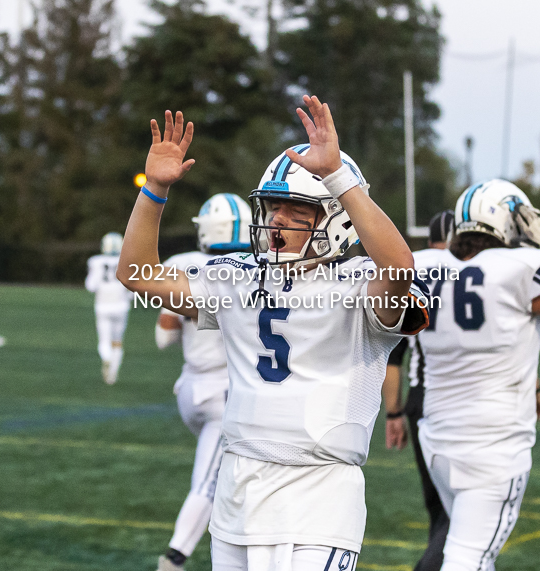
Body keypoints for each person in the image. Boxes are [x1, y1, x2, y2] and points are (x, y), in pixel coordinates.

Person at [117, 96, 430, 571]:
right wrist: (154, 190)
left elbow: (400, 265)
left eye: (295, 210)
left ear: (336, 218)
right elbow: (137, 275)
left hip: (319, 497)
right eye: (273, 207)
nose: (277, 220)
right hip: (238, 491)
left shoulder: (360, 283)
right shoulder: (234, 276)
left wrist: (340, 179)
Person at [413, 180, 540, 571]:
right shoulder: (518, 268)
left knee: (467, 552)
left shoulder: (425, 265)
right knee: (468, 560)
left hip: (437, 441)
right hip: (494, 447)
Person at [155, 193, 253, 571]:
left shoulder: (181, 264)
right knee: (210, 482)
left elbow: (164, 338)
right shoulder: (255, 267)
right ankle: (175, 556)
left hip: (189, 389)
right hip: (227, 392)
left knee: (225, 474)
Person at [383, 209, 455, 571]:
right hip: (466, 400)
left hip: (421, 399)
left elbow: (393, 354)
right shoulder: (478, 267)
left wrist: (393, 412)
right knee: (460, 515)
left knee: (439, 509)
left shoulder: (415, 265)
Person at [85, 232, 133, 384]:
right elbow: (132, 288)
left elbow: (91, 286)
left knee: (104, 341)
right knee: (117, 341)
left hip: (103, 305)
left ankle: (106, 359)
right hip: (121, 305)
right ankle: (113, 373)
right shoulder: (128, 261)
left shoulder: (96, 261)